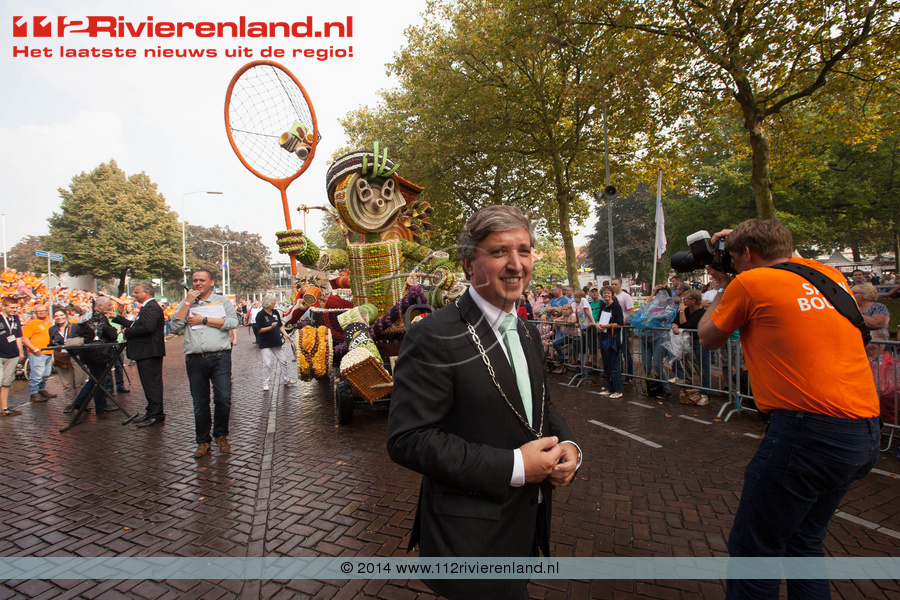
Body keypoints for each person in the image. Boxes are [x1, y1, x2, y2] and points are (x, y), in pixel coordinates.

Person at [386, 205, 581, 600]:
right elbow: (408, 439)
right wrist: (514, 466)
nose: (516, 264)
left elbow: (539, 405)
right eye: (498, 252)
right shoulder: (434, 335)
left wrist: (569, 446)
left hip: (523, 524)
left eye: (523, 250)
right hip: (469, 536)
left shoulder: (527, 331)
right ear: (468, 264)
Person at [697, 219, 881, 599]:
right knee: (804, 544)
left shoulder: (751, 282)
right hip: (863, 430)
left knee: (754, 552)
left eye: (735, 257)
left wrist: (725, 283)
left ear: (747, 254)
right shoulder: (828, 275)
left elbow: (708, 336)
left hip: (807, 435)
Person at [170, 269, 238, 458]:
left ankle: (221, 435)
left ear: (211, 282)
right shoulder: (186, 303)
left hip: (220, 357)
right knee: (200, 401)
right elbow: (175, 327)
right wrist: (187, 302)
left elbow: (233, 322)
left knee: (223, 398)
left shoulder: (222, 301)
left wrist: (204, 320)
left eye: (202, 280)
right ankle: (203, 441)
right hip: (195, 359)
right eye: (195, 280)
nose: (198, 283)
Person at [111, 282, 167, 428]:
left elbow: (147, 328)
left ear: (145, 293)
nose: (133, 295)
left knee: (152, 384)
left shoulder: (150, 308)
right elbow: (136, 325)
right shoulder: (147, 307)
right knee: (149, 384)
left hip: (149, 352)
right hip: (147, 352)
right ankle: (151, 411)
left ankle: (156, 414)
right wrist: (117, 318)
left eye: (136, 292)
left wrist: (127, 332)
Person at [68, 297, 119, 414]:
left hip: (90, 352)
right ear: (100, 306)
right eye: (109, 305)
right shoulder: (98, 317)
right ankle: (89, 403)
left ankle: (85, 402)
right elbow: (110, 334)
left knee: (96, 378)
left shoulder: (86, 316)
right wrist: (113, 331)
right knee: (98, 379)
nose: (111, 307)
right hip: (98, 353)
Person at [48, 308, 87, 410]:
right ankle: (70, 403)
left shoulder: (75, 326)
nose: (59, 318)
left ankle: (81, 403)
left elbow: (83, 339)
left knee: (80, 381)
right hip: (62, 357)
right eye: (56, 316)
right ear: (54, 318)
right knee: (67, 383)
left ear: (66, 315)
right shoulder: (52, 329)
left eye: (61, 315)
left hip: (76, 355)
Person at [256, 294, 296, 391]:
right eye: (273, 302)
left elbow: (280, 325)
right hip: (265, 341)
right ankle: (265, 383)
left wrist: (285, 334)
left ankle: (286, 379)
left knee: (283, 360)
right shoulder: (260, 315)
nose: (275, 303)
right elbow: (260, 330)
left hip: (276, 340)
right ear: (269, 303)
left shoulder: (275, 312)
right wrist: (270, 327)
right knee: (267, 363)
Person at [21, 305, 56, 403]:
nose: (41, 312)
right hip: (37, 353)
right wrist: (34, 349)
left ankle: (41, 390)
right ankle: (34, 393)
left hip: (48, 352)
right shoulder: (32, 324)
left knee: (46, 374)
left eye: (43, 311)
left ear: (47, 312)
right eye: (38, 311)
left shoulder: (50, 323)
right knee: (37, 374)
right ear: (35, 313)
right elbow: (25, 338)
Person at [596, 285, 624, 399]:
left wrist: (606, 326)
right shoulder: (603, 306)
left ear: (612, 294)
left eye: (608, 293)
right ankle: (610, 388)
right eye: (604, 293)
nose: (606, 295)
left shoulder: (616, 306)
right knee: (606, 364)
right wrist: (597, 325)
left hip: (613, 339)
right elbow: (598, 319)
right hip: (603, 337)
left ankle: (618, 390)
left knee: (614, 364)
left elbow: (620, 323)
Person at [0, 297, 25, 416]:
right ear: (3, 306)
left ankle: (4, 408)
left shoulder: (16, 318)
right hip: (0, 355)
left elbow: (18, 336)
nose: (14, 310)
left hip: (12, 355)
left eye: (16, 308)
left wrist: (20, 351)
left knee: (7, 382)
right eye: (12, 308)